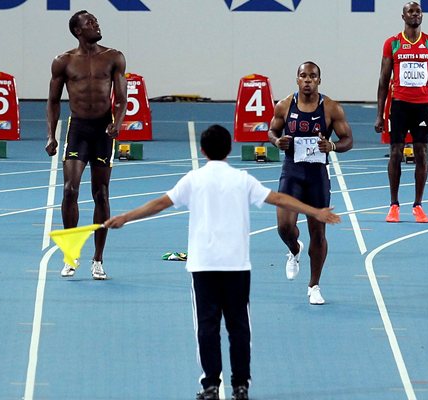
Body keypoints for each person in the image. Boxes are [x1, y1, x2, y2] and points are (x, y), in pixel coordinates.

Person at [105, 125, 340, 400]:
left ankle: (210, 387)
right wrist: (315, 211)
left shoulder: (193, 179)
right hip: (235, 266)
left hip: (203, 266)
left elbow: (159, 204)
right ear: (229, 150)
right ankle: (240, 386)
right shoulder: (242, 179)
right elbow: (278, 198)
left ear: (202, 151)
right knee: (239, 328)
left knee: (207, 328)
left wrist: (125, 217)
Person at [46, 10, 127, 280]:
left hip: (103, 130)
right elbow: (53, 101)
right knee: (69, 190)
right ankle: (70, 255)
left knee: (101, 194)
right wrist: (51, 135)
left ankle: (98, 259)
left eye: (96, 21)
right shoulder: (63, 61)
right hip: (78, 129)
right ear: (78, 31)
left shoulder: (114, 57)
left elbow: (122, 98)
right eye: (90, 23)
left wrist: (117, 123)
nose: (96, 25)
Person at [268, 61, 353, 305]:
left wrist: (332, 145)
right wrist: (277, 142)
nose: (307, 80)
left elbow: (348, 139)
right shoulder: (284, 105)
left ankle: (314, 285)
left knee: (318, 232)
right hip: (292, 173)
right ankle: (294, 249)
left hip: (317, 177)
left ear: (319, 80)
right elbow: (272, 131)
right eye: (303, 76)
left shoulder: (332, 108)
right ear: (297, 79)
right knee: (284, 227)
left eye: (312, 76)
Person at [374, 1, 428, 223]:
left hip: (422, 107)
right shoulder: (393, 43)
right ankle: (394, 205)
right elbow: (383, 80)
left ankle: (418, 205)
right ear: (403, 16)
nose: (415, 14)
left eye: (418, 12)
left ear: (422, 16)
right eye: (411, 11)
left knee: (422, 153)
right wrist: (380, 114)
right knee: (396, 152)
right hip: (399, 105)